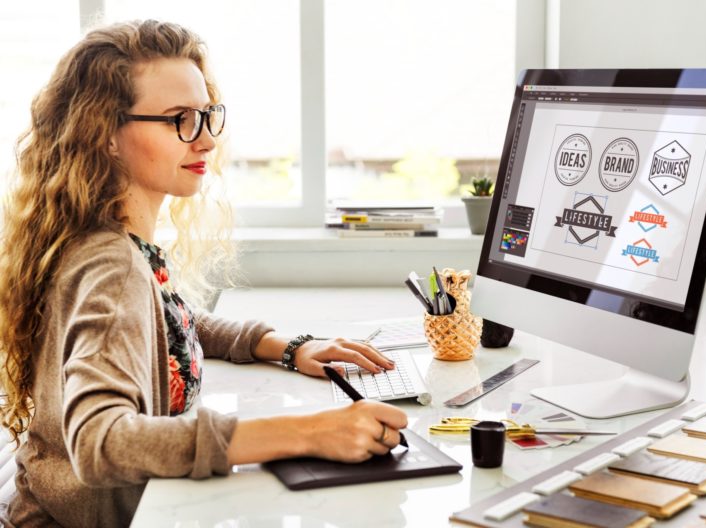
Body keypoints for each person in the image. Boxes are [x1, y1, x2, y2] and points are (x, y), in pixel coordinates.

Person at [0, 20, 407, 527]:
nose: (207, 140)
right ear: (104, 133)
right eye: (180, 120)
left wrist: (285, 345)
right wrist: (308, 432)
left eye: (207, 115)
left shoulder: (113, 242)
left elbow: (169, 323)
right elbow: (99, 440)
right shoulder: (109, 264)